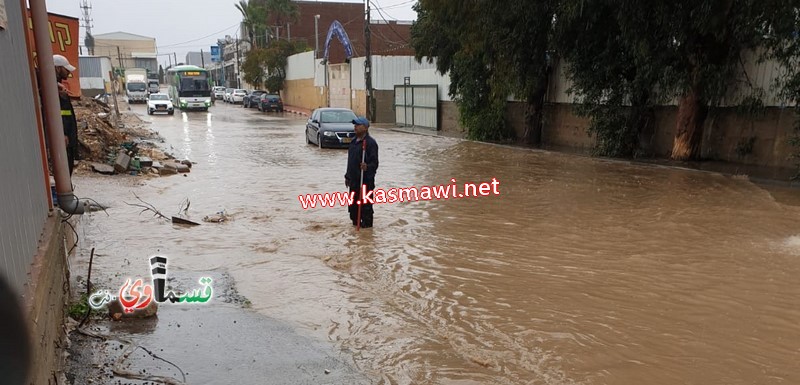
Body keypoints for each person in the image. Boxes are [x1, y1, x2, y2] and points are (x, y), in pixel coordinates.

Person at [345, 117, 379, 228]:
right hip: (354, 181)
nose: (355, 127)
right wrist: (347, 176)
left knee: (365, 207)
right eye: (354, 125)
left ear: (365, 127)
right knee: (353, 206)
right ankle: (355, 225)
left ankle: (367, 231)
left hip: (365, 181)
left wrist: (367, 167)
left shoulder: (370, 143)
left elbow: (375, 164)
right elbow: (350, 161)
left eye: (358, 125)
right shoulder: (354, 142)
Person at [53, 54, 79, 175]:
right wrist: (62, 133)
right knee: (63, 170)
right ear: (57, 68)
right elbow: (58, 114)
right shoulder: (53, 89)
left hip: (67, 136)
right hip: (63, 138)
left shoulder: (58, 87)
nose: (68, 72)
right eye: (65, 69)